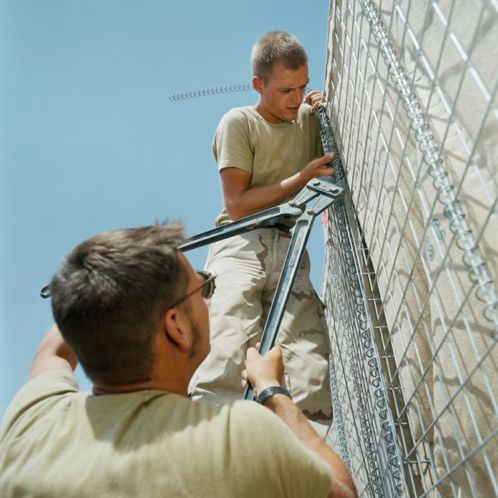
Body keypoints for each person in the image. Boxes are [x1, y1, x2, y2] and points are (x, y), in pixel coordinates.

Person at [0, 224, 356, 498]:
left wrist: (98, 282)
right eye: (203, 286)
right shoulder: (240, 437)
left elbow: (50, 353)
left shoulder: (30, 424)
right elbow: (343, 492)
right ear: (177, 327)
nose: (207, 295)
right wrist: (273, 391)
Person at [189, 31, 335, 432]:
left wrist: (321, 107)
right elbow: (237, 203)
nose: (296, 96)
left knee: (307, 358)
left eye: (302, 86)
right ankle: (210, 449)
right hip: (240, 242)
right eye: (286, 89)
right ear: (259, 84)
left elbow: (314, 119)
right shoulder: (240, 122)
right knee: (228, 342)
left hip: (291, 245)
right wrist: (301, 179)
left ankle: (305, 460)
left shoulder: (307, 118)